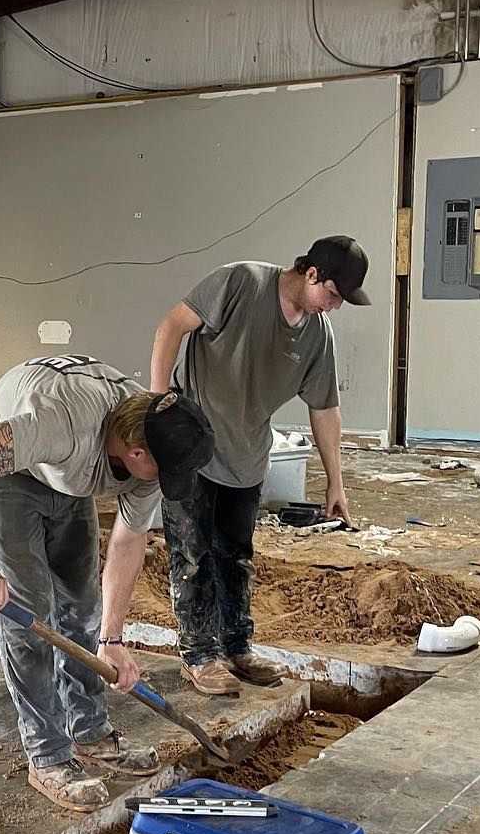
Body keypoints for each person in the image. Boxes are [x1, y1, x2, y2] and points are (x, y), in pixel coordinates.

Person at [0, 355, 215, 813]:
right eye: (166, 473)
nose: (167, 484)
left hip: (69, 477)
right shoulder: (63, 422)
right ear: (137, 454)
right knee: (30, 618)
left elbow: (127, 545)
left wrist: (113, 639)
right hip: (9, 475)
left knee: (83, 607)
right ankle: (47, 755)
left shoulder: (149, 446)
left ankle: (89, 731)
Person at [149, 235, 369, 697]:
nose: (334, 307)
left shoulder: (316, 335)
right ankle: (199, 655)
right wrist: (157, 402)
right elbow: (172, 325)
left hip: (248, 456)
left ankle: (236, 647)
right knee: (193, 556)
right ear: (312, 275)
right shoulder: (240, 283)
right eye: (333, 294)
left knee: (236, 556)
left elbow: (325, 409)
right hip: (196, 451)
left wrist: (336, 482)